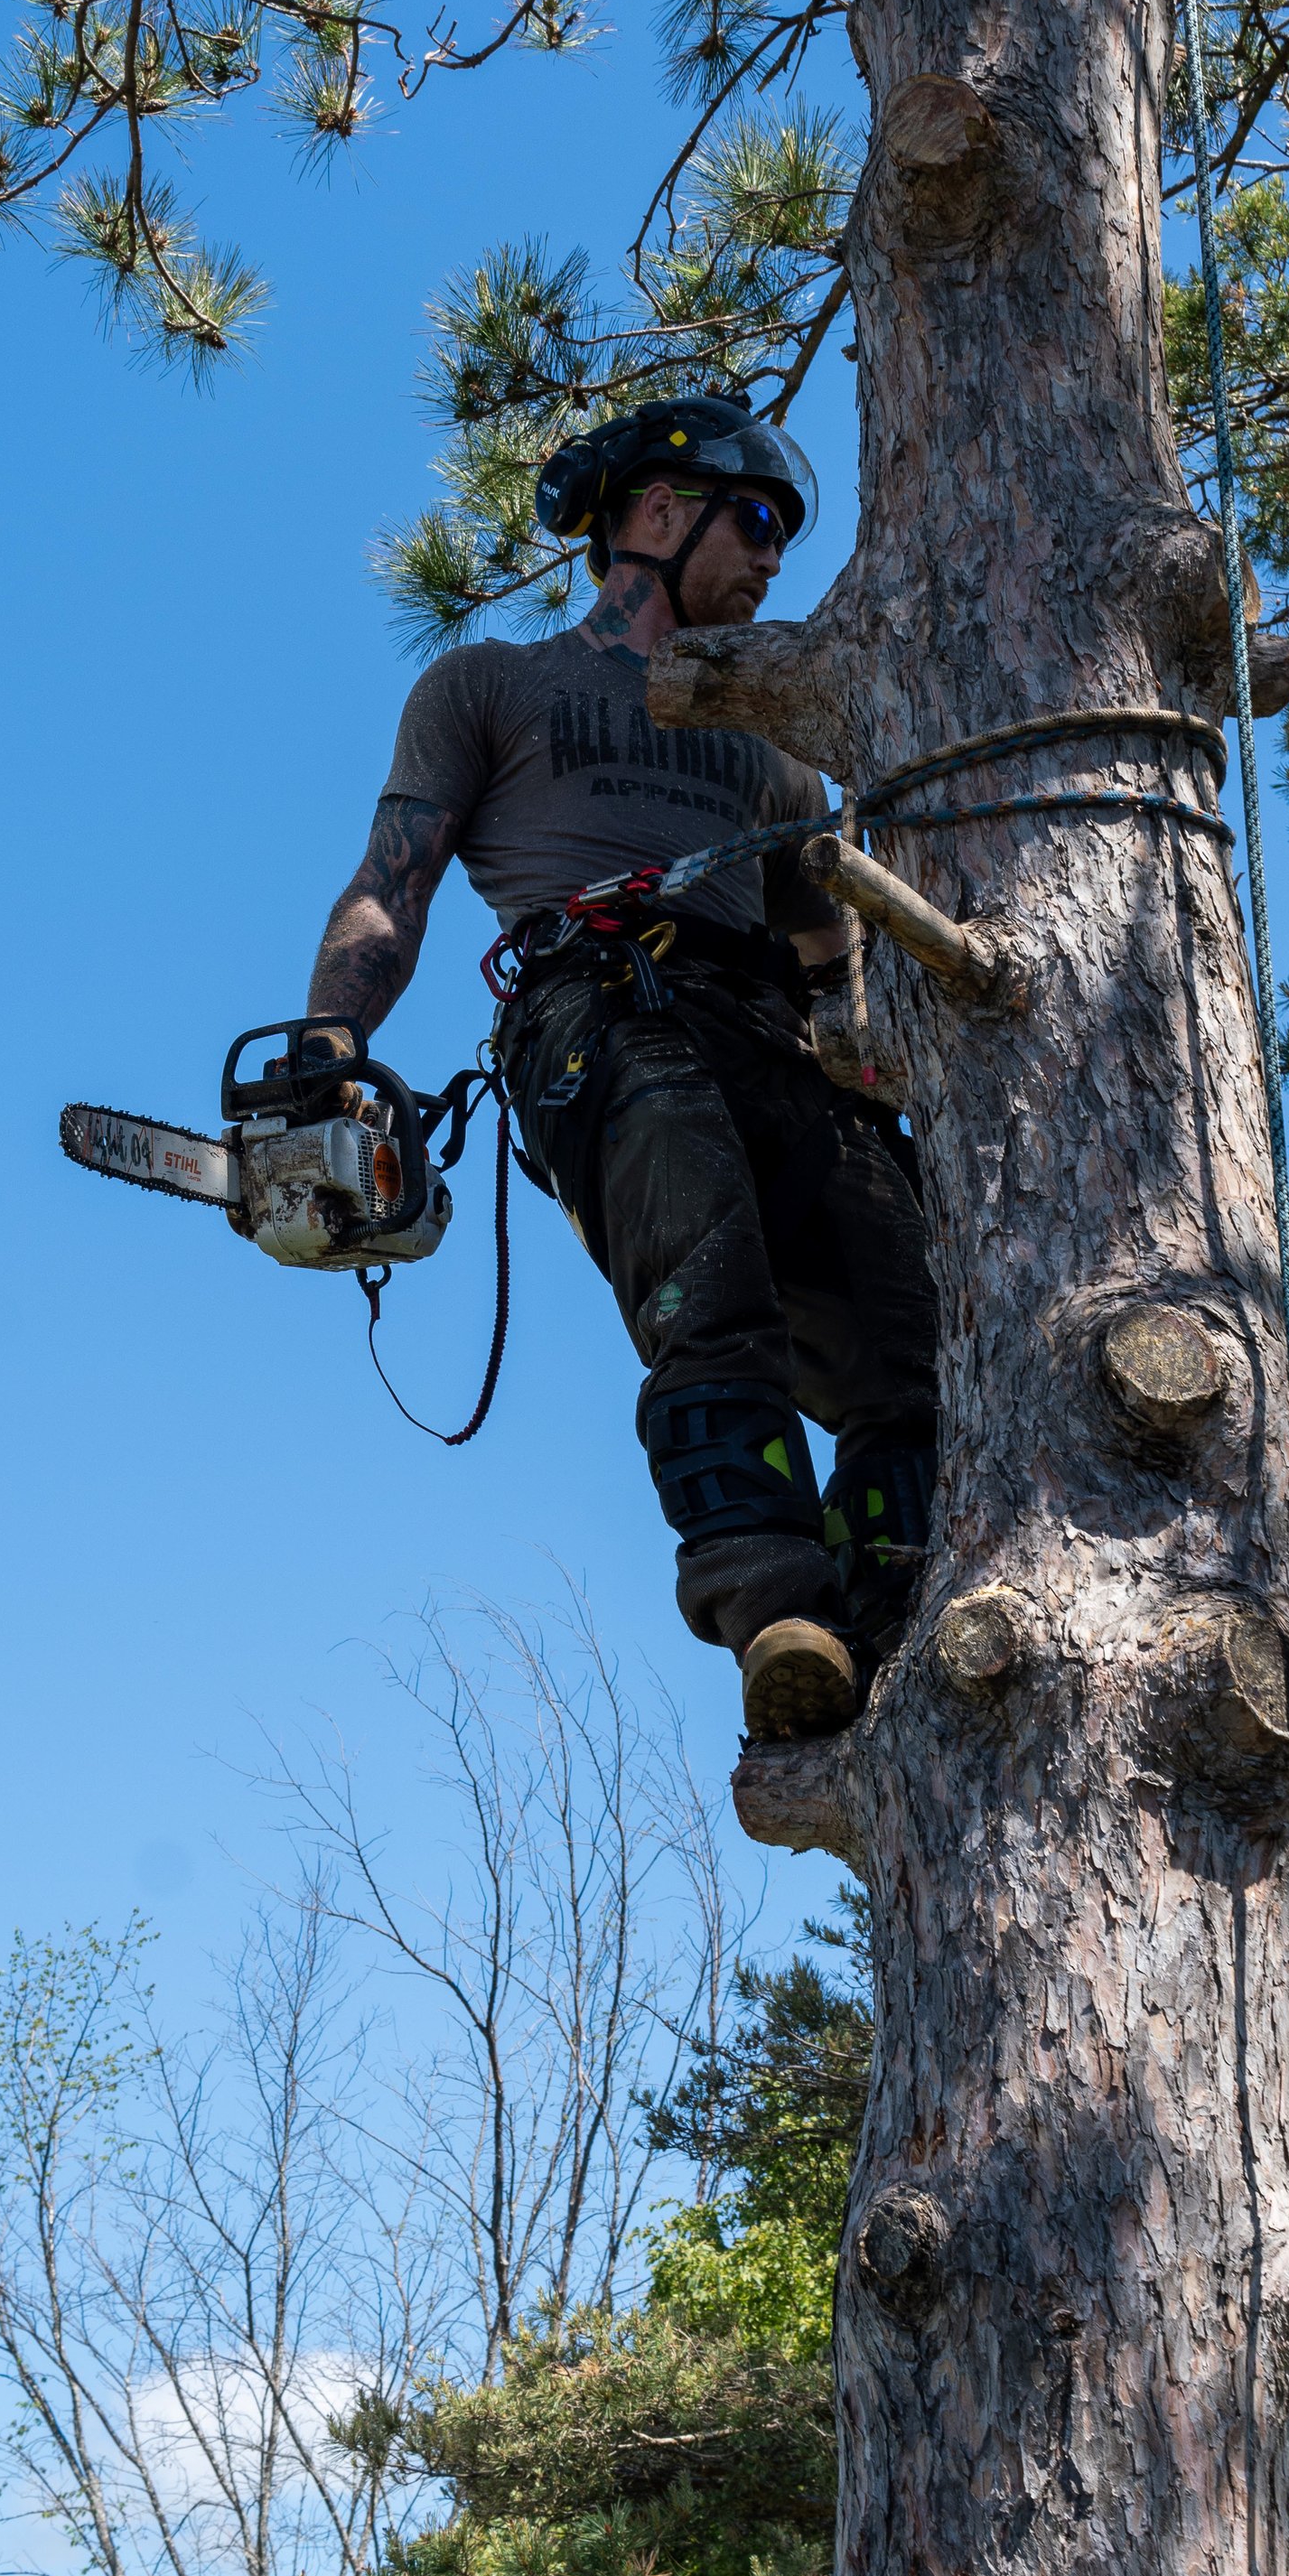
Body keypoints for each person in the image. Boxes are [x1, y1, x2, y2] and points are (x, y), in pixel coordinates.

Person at [303, 394, 939, 1744]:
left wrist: (878, 1071)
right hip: (595, 1008)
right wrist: (330, 1048)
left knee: (915, 1320)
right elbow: (390, 886)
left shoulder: (770, 758)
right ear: (656, 512)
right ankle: (777, 1608)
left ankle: (905, 1618)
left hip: (768, 1037)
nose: (775, 560)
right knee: (707, 1287)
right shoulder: (493, 688)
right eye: (756, 521)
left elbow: (830, 956)